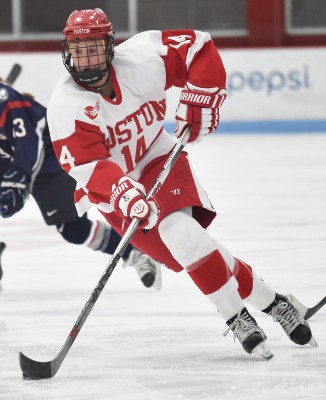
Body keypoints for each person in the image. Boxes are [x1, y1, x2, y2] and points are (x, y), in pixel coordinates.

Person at [47, 8, 316, 358]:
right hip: (112, 190)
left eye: (93, 47)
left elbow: (197, 48)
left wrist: (201, 96)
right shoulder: (66, 107)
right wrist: (125, 194)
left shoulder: (141, 59)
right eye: (78, 49)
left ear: (110, 46)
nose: (86, 58)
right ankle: (277, 303)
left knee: (181, 234)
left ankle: (236, 317)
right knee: (191, 248)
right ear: (67, 52)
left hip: (157, 156)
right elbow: (90, 166)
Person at [0, 80, 161, 290]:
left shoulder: (4, 98)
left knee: (73, 229)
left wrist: (17, 178)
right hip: (11, 160)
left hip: (51, 155)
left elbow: (29, 142)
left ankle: (135, 251)